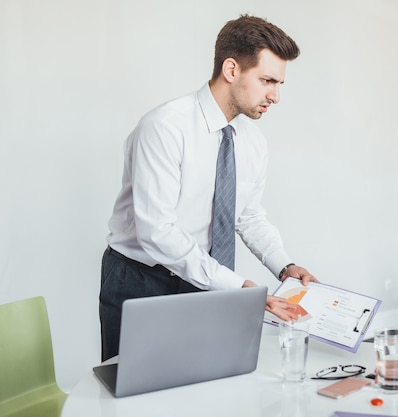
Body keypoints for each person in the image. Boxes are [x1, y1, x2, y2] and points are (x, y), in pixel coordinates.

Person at [99, 15, 317, 361]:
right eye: (267, 81)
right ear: (232, 70)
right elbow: (157, 232)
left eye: (279, 84)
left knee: (201, 384)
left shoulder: (252, 141)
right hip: (141, 281)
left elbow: (248, 217)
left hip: (205, 280)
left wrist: (284, 266)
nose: (275, 96)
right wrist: (238, 287)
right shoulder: (164, 128)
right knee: (136, 397)